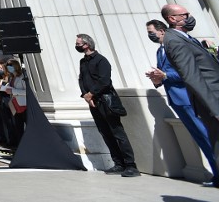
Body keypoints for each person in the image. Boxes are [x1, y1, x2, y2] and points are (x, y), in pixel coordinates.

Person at [145, 18, 218, 186]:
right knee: (200, 138)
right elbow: (164, 74)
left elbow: (186, 73)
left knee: (207, 137)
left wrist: (165, 76)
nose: (150, 36)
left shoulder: (176, 47)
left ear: (162, 30)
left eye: (151, 32)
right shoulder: (160, 51)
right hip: (177, 101)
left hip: (187, 99)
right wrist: (157, 79)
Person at [75, 33, 138, 177]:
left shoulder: (101, 60)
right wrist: (86, 95)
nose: (77, 46)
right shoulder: (83, 62)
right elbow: (82, 79)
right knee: (105, 133)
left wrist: (92, 93)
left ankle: (130, 165)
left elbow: (105, 81)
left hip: (106, 100)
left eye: (79, 43)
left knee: (117, 133)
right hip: (93, 102)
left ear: (87, 44)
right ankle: (118, 164)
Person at [0, 58, 27, 147]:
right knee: (18, 129)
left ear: (15, 67)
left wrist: (13, 91)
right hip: (15, 107)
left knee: (26, 127)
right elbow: (9, 88)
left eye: (10, 67)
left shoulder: (22, 77)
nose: (8, 69)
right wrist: (0, 88)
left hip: (23, 106)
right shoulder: (12, 78)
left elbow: (27, 92)